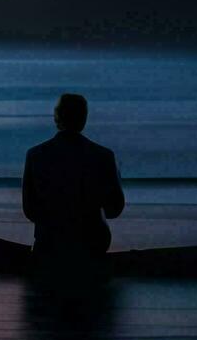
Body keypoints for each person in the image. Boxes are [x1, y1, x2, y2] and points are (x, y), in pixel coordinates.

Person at [22, 93, 124, 265]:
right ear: (84, 118)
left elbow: (29, 210)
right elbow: (114, 210)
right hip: (92, 245)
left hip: (49, 244)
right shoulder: (103, 156)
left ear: (57, 117)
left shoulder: (35, 155)